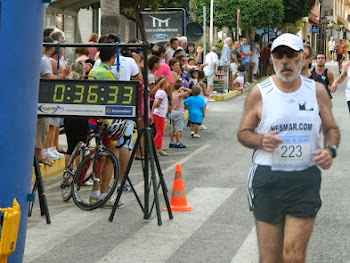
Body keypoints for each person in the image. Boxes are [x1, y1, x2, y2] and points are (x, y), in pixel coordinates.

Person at [237, 33, 340, 262]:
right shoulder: (259, 93)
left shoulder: (316, 91)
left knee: (294, 255)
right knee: (271, 258)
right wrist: (260, 140)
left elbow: (331, 128)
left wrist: (329, 149)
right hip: (268, 178)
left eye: (291, 55)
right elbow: (243, 133)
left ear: (302, 58)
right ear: (272, 59)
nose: (285, 61)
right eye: (279, 55)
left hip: (304, 179)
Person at [169, 79, 192, 148]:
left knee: (172, 129)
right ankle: (178, 143)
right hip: (179, 112)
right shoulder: (180, 95)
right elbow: (190, 91)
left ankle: (171, 142)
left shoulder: (173, 94)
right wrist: (183, 88)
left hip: (173, 112)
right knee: (178, 129)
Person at [151, 76, 169, 156]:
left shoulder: (159, 91)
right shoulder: (162, 92)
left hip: (159, 113)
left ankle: (159, 148)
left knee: (161, 131)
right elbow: (157, 102)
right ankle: (153, 148)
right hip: (159, 114)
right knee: (159, 132)